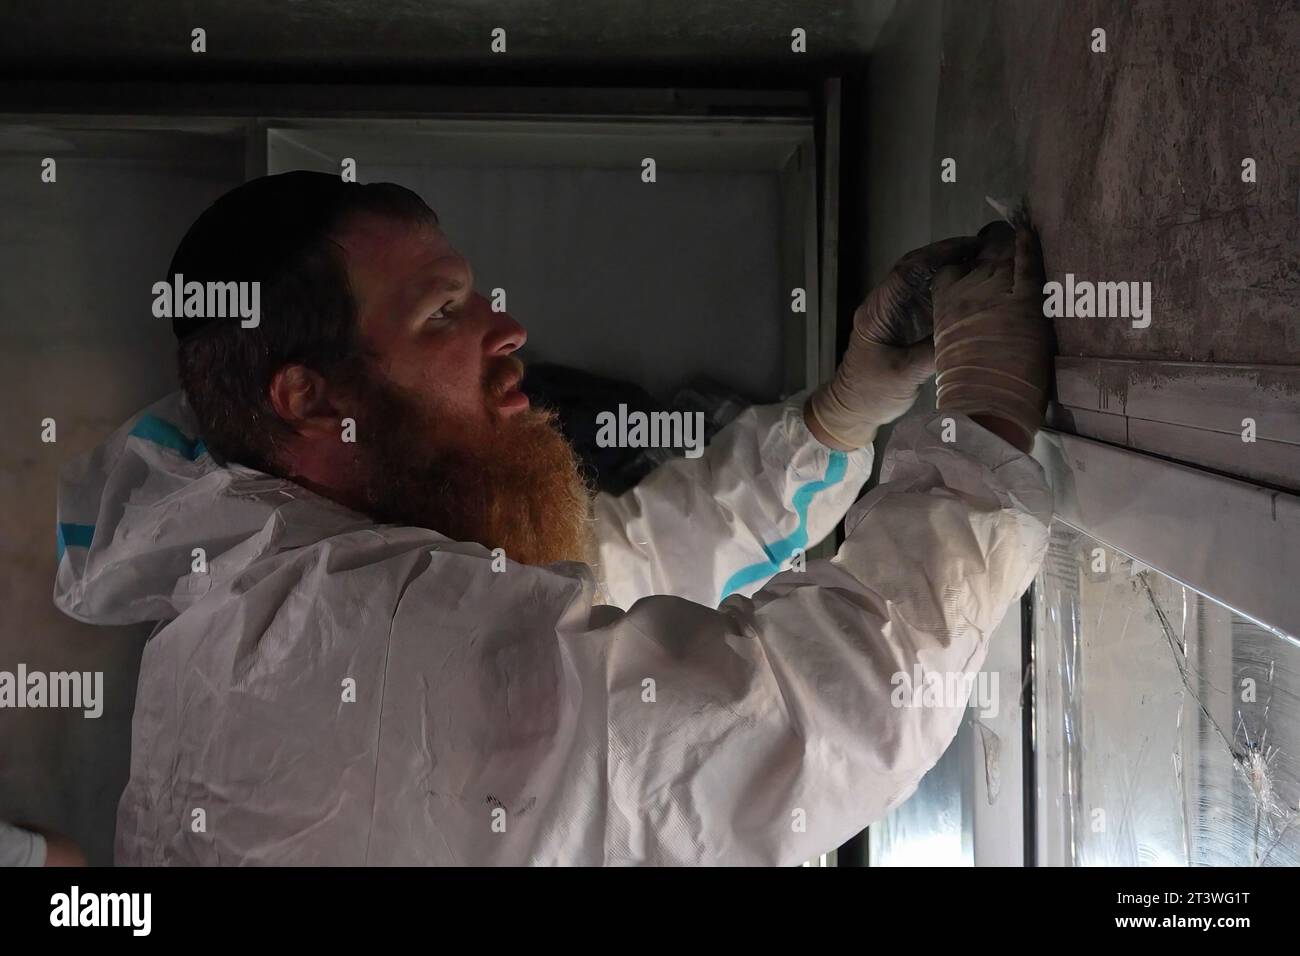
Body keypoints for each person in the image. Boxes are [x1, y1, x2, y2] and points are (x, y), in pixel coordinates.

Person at [54, 172, 1052, 865]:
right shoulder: (356, 649)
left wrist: (834, 423)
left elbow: (615, 560)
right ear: (312, 402)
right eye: (442, 314)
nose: (508, 328)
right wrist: (986, 419)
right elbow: (794, 725)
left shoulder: (289, 566)